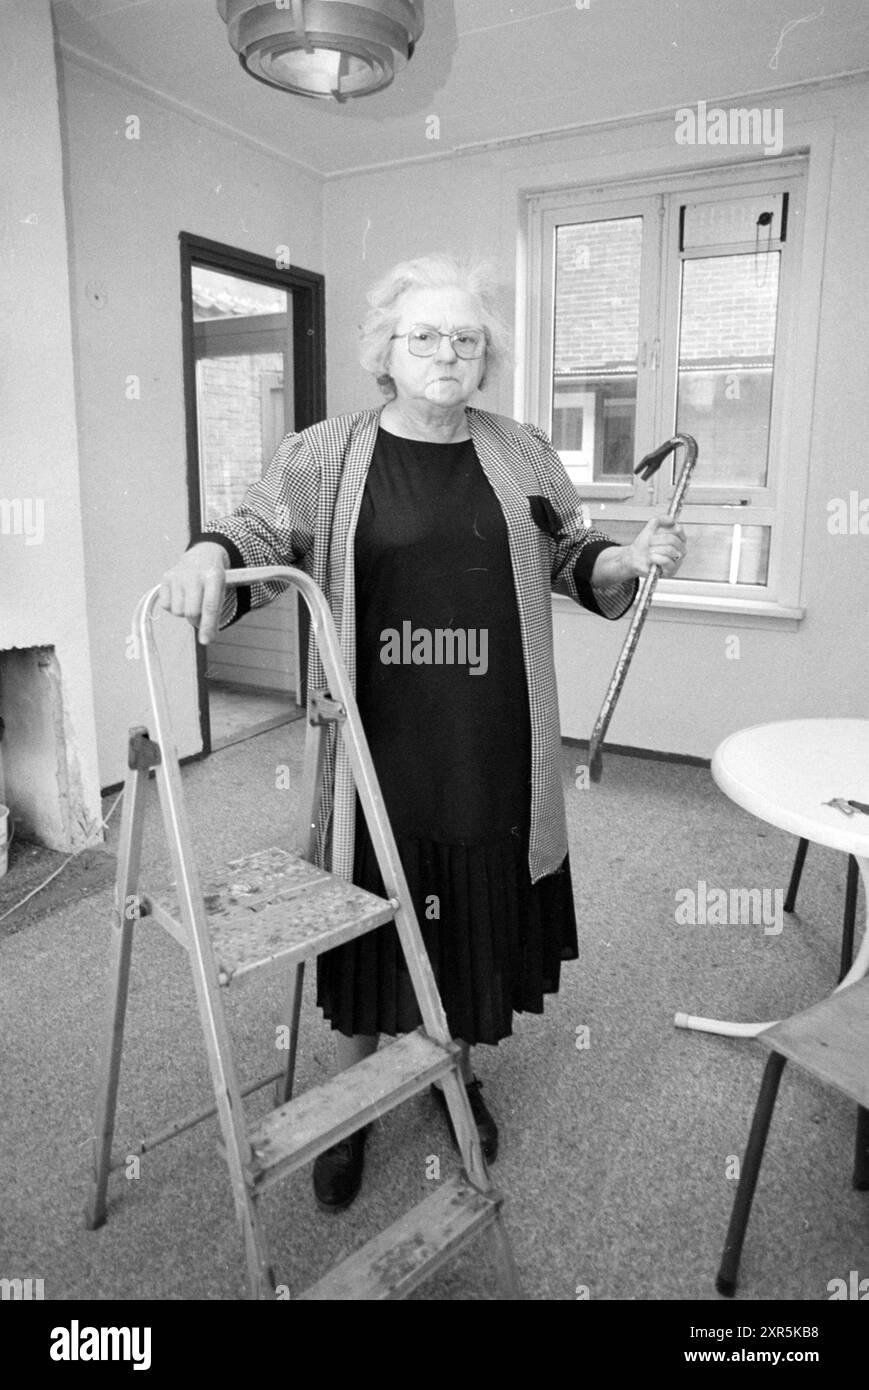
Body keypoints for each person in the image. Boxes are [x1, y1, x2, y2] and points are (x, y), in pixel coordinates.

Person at [160, 254, 686, 1212]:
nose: (447, 353)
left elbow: (574, 553)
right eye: (425, 337)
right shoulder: (325, 452)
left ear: (483, 355)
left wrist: (626, 558)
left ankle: (455, 1072)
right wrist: (205, 553)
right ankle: (356, 1102)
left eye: (465, 338)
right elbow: (257, 531)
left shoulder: (520, 449)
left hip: (492, 734)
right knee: (369, 903)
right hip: (377, 740)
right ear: (385, 352)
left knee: (473, 903)